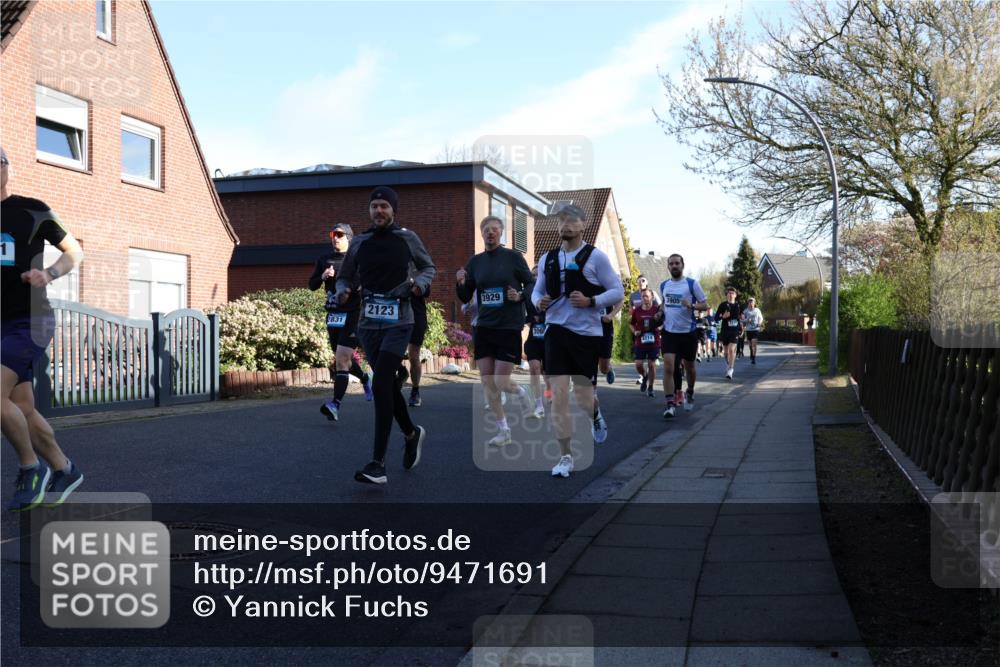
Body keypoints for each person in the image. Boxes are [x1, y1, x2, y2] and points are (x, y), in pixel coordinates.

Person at [1, 146, 85, 510]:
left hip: (31, 319)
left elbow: (73, 252)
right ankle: (64, 468)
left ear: (6, 167)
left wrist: (49, 273)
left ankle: (30, 468)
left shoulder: (31, 210)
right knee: (21, 405)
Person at [336, 187, 434, 484]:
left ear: (393, 211)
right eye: (375, 206)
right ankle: (411, 433)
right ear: (369, 210)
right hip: (368, 325)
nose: (379, 211)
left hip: (399, 321)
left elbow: (428, 267)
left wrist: (418, 285)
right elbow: (344, 275)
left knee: (380, 384)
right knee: (387, 386)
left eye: (384, 207)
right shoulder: (360, 242)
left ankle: (377, 464)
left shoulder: (407, 238)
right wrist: (342, 290)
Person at [531, 204, 623, 478]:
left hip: (586, 335)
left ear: (583, 225)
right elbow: (535, 293)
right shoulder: (547, 257)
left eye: (571, 220)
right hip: (556, 332)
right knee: (558, 396)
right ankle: (565, 457)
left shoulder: (596, 258)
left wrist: (591, 301)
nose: (565, 224)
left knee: (584, 399)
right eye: (561, 220)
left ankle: (594, 415)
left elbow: (617, 291)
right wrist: (540, 302)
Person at [456, 215, 533, 447]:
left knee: (500, 381)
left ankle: (521, 392)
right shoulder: (475, 262)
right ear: (482, 234)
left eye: (495, 229)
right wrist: (460, 282)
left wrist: (519, 296)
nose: (490, 233)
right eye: (486, 229)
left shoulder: (513, 257)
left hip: (508, 326)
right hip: (484, 327)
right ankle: (504, 431)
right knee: (487, 382)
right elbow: (465, 295)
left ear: (501, 233)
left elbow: (529, 283)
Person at [309, 223, 373, 421]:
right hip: (334, 314)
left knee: (341, 359)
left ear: (349, 238)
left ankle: (335, 404)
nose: (335, 238)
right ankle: (364, 378)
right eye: (333, 234)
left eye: (339, 234)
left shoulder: (356, 260)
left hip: (353, 313)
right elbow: (312, 285)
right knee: (340, 358)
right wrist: (322, 276)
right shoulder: (324, 260)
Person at [657, 254, 708, 418]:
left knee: (690, 368)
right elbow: (664, 305)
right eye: (671, 264)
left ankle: (690, 391)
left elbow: (705, 305)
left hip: (688, 332)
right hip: (669, 333)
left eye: (677, 263)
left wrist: (692, 305)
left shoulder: (692, 284)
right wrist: (659, 313)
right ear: (668, 267)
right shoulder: (664, 285)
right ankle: (669, 404)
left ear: (682, 265)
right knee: (668, 366)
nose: (674, 266)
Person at [523, 265, 548, 419]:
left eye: (537, 275)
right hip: (534, 338)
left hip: (550, 338)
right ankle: (539, 405)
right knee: (534, 368)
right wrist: (531, 319)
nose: (535, 278)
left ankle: (550, 392)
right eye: (532, 275)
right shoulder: (528, 293)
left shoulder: (551, 291)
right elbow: (523, 314)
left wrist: (543, 318)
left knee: (547, 372)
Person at [629, 275, 661, 386]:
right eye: (639, 281)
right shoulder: (633, 296)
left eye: (643, 281)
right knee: (638, 364)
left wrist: (660, 327)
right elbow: (631, 320)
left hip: (653, 336)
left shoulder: (654, 296)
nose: (644, 298)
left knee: (652, 364)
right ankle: (644, 375)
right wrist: (634, 331)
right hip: (640, 335)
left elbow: (662, 313)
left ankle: (651, 387)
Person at [406, 287, 429, 407]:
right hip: (395, 315)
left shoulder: (419, 270)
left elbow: (426, 291)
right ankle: (401, 373)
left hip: (416, 316)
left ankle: (415, 391)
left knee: (413, 356)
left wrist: (411, 282)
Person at [716, 287, 744, 380]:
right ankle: (728, 365)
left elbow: (741, 316)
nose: (731, 294)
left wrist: (742, 320)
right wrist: (723, 316)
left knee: (732, 350)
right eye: (729, 293)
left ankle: (731, 369)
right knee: (726, 352)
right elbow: (716, 318)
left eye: (732, 293)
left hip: (734, 331)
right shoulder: (722, 305)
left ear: (735, 295)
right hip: (725, 331)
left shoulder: (738, 306)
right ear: (727, 295)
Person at [598, 300, 624, 384]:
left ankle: (608, 369)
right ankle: (593, 393)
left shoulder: (608, 287)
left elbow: (620, 301)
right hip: (588, 327)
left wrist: (611, 315)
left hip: (605, 329)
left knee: (603, 369)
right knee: (590, 361)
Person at [742, 297, 763, 365]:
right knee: (750, 345)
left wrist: (759, 323)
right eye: (750, 302)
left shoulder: (757, 310)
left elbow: (761, 318)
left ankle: (753, 358)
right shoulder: (745, 311)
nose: (751, 303)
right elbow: (742, 320)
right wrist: (747, 320)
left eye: (752, 302)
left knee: (754, 344)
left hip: (755, 329)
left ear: (754, 303)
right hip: (748, 330)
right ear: (748, 303)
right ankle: (751, 352)